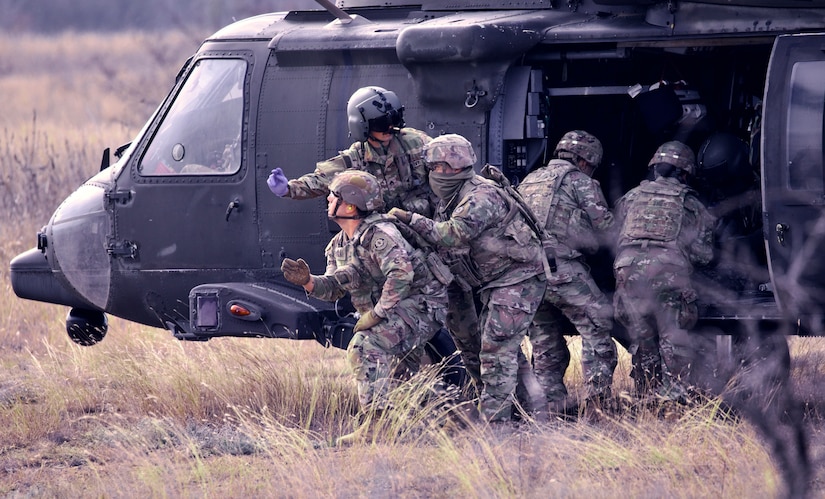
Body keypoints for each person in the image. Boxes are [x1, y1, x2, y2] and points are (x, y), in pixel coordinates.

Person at [280, 170, 448, 445]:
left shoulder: (380, 235)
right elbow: (334, 288)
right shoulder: (338, 245)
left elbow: (401, 274)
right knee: (403, 379)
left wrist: (376, 314)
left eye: (333, 196)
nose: (328, 201)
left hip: (421, 305)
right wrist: (309, 282)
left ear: (350, 205)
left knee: (365, 346)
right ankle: (447, 418)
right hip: (396, 310)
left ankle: (377, 429)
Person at [389, 134, 547, 423]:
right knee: (501, 347)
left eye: (434, 168)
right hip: (497, 281)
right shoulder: (454, 196)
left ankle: (495, 424)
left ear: (448, 168)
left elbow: (451, 234)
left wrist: (410, 219)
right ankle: (531, 409)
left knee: (496, 351)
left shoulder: (479, 196)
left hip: (517, 278)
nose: (432, 174)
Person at [517, 130, 618, 413]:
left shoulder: (530, 180)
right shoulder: (580, 182)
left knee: (545, 343)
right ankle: (597, 405)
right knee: (597, 327)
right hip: (562, 271)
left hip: (527, 276)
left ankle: (550, 410)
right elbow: (606, 229)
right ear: (585, 161)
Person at [612, 140, 715, 403]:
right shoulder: (690, 204)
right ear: (685, 173)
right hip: (667, 270)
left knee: (643, 335)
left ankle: (646, 394)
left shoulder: (631, 197)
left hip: (627, 269)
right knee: (672, 334)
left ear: (655, 168)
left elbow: (614, 236)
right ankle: (673, 400)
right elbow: (704, 255)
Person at [267, 85, 436, 217]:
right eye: (381, 124)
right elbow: (321, 179)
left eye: (393, 120)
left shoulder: (415, 142)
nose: (390, 128)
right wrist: (289, 189)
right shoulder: (356, 158)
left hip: (422, 224)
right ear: (363, 127)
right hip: (387, 232)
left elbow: (448, 158)